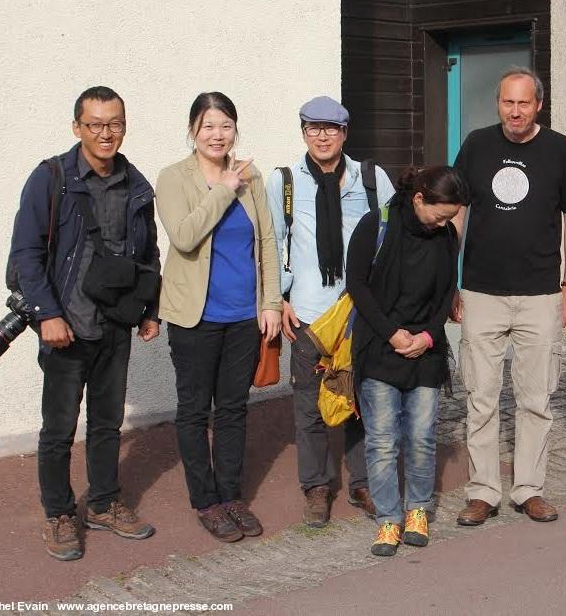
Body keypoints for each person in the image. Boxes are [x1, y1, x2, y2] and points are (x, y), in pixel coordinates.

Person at [8, 86, 160, 561]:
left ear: (125, 125)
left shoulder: (136, 184)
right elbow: (26, 255)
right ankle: (58, 512)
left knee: (107, 423)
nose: (104, 133)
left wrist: (149, 310)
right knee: (58, 429)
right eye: (94, 124)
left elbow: (148, 254)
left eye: (113, 123)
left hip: (114, 325)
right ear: (77, 127)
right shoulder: (50, 178)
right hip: (65, 327)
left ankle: (103, 503)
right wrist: (48, 314)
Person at [452, 67, 566, 526]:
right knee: (481, 397)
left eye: (523, 103)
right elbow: (456, 212)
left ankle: (529, 489)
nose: (514, 111)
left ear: (539, 105)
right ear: (498, 104)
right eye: (507, 102)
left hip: (540, 294)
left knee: (535, 398)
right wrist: (450, 279)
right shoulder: (476, 144)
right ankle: (483, 492)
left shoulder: (559, 149)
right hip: (481, 292)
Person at [156, 92, 282, 543]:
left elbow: (267, 240)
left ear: (235, 130)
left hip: (243, 315)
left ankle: (231, 496)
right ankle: (205, 500)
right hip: (195, 317)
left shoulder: (253, 177)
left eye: (225, 125)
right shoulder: (173, 178)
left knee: (232, 409)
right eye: (208, 125)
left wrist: (269, 302)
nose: (217, 134)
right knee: (194, 411)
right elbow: (185, 236)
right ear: (193, 130)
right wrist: (224, 190)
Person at [266, 96, 395, 526]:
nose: (322, 136)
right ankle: (317, 487)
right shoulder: (285, 181)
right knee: (308, 405)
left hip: (360, 312)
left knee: (364, 399)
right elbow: (271, 244)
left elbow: (392, 237)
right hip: (309, 313)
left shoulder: (371, 178)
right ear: (303, 132)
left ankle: (362, 482)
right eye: (313, 128)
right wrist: (278, 298)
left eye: (331, 128)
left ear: (345, 132)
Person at [346, 166, 468, 556]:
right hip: (381, 347)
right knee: (382, 441)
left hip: (425, 351)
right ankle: (388, 519)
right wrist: (392, 333)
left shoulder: (446, 236)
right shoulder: (375, 225)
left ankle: (418, 509)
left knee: (421, 436)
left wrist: (429, 335)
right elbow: (357, 286)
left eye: (451, 217)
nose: (444, 223)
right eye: (440, 214)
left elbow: (448, 289)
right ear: (419, 199)